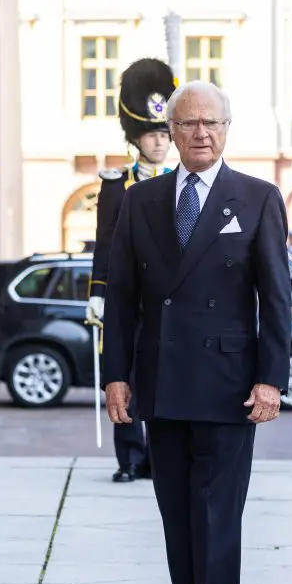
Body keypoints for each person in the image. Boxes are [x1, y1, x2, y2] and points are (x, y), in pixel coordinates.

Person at [103, 81, 291, 584]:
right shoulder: (142, 200)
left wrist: (271, 379)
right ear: (171, 132)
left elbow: (277, 299)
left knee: (216, 514)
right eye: (188, 124)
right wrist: (116, 376)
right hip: (162, 381)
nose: (201, 133)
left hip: (229, 382)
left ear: (228, 129)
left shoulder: (257, 198)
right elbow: (124, 299)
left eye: (211, 123)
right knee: (176, 512)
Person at [88, 57, 176, 483]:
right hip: (126, 293)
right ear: (135, 137)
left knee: (160, 377)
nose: (159, 144)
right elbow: (105, 243)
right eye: (152, 136)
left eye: (164, 135)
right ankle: (129, 459)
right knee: (121, 373)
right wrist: (97, 293)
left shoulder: (182, 181)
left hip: (165, 296)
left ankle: (159, 458)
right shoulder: (115, 184)